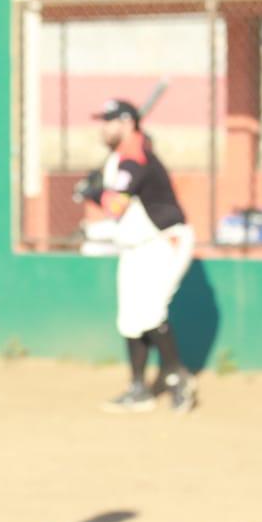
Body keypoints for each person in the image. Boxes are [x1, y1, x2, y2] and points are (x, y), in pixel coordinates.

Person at [78, 98, 197, 413]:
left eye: (111, 120)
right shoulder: (121, 157)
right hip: (135, 245)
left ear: (128, 123)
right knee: (130, 318)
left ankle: (177, 377)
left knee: (150, 311)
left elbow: (114, 206)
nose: (104, 127)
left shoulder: (134, 154)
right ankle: (138, 388)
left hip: (163, 241)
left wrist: (92, 191)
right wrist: (99, 186)